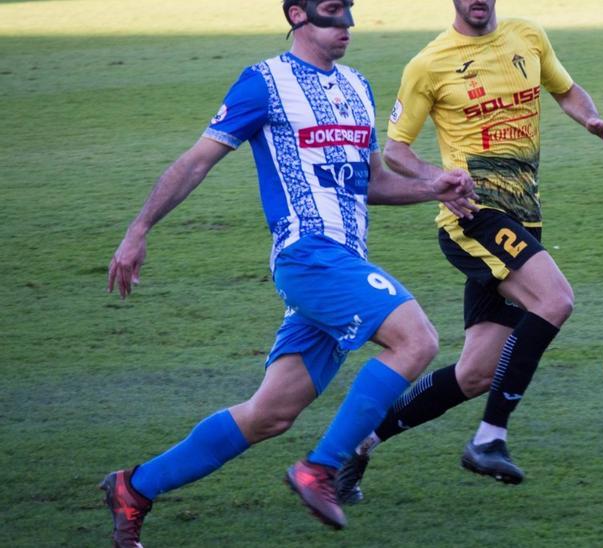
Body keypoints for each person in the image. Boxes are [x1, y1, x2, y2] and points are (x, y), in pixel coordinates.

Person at [98, 0, 479, 544]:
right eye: (331, 11)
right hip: (307, 254)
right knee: (415, 340)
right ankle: (320, 469)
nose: (346, 23)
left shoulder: (357, 86)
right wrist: (138, 230)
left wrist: (427, 187)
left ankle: (134, 487)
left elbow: (366, 181)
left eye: (349, 11)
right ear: (297, 15)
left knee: (269, 414)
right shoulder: (264, 82)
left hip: (343, 263)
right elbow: (195, 161)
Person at [333, 0, 603, 502]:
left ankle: (356, 446)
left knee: (476, 373)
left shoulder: (528, 37)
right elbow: (397, 150)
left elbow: (565, 89)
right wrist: (435, 179)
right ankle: (490, 438)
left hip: (523, 218)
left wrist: (592, 120)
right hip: (472, 219)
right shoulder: (429, 63)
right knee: (554, 300)